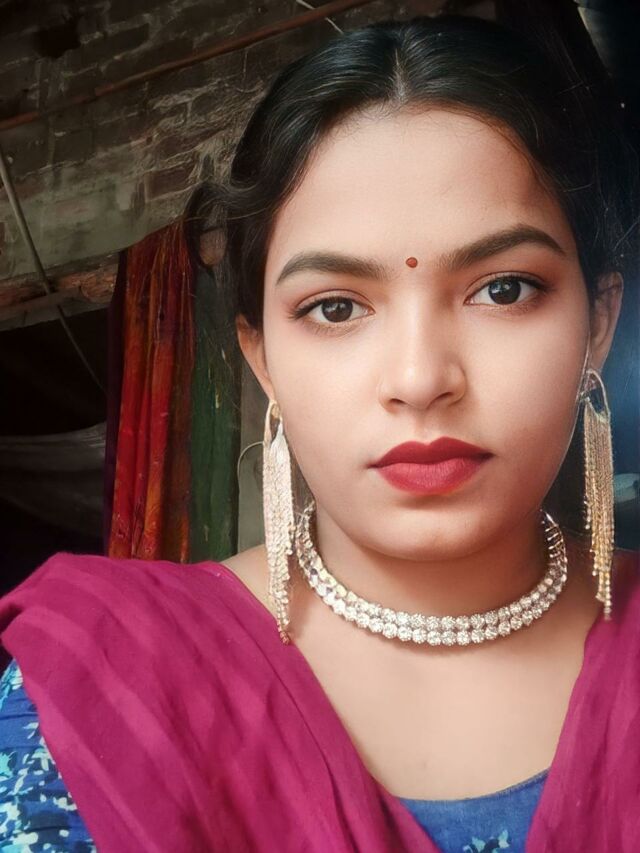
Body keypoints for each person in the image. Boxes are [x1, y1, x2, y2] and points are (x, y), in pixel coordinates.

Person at [0, 12, 638, 853]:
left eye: (505, 289)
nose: (419, 378)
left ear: (598, 323)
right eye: (335, 307)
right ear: (261, 357)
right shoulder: (98, 688)